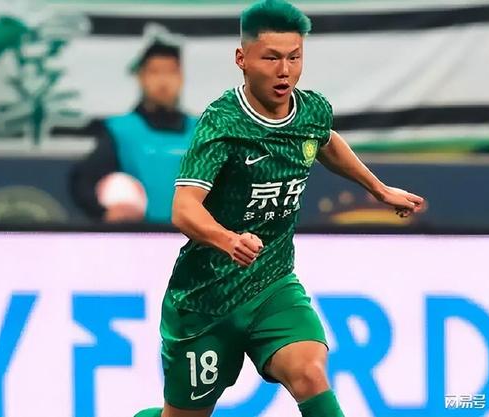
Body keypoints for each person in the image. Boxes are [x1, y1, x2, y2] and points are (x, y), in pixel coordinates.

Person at [135, 1, 425, 416]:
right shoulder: (222, 124)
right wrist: (228, 240)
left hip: (273, 284)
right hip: (207, 298)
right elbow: (183, 209)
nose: (284, 71)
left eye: (294, 57)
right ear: (242, 59)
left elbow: (325, 140)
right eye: (271, 58)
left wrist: (378, 190)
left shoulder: (311, 110)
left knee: (309, 371)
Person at [69, 25, 197, 223]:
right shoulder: (120, 131)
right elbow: (82, 181)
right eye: (155, 72)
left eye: (171, 72)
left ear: (181, 78)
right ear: (141, 77)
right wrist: (103, 213)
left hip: (193, 239)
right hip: (140, 238)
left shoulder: (202, 131)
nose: (163, 81)